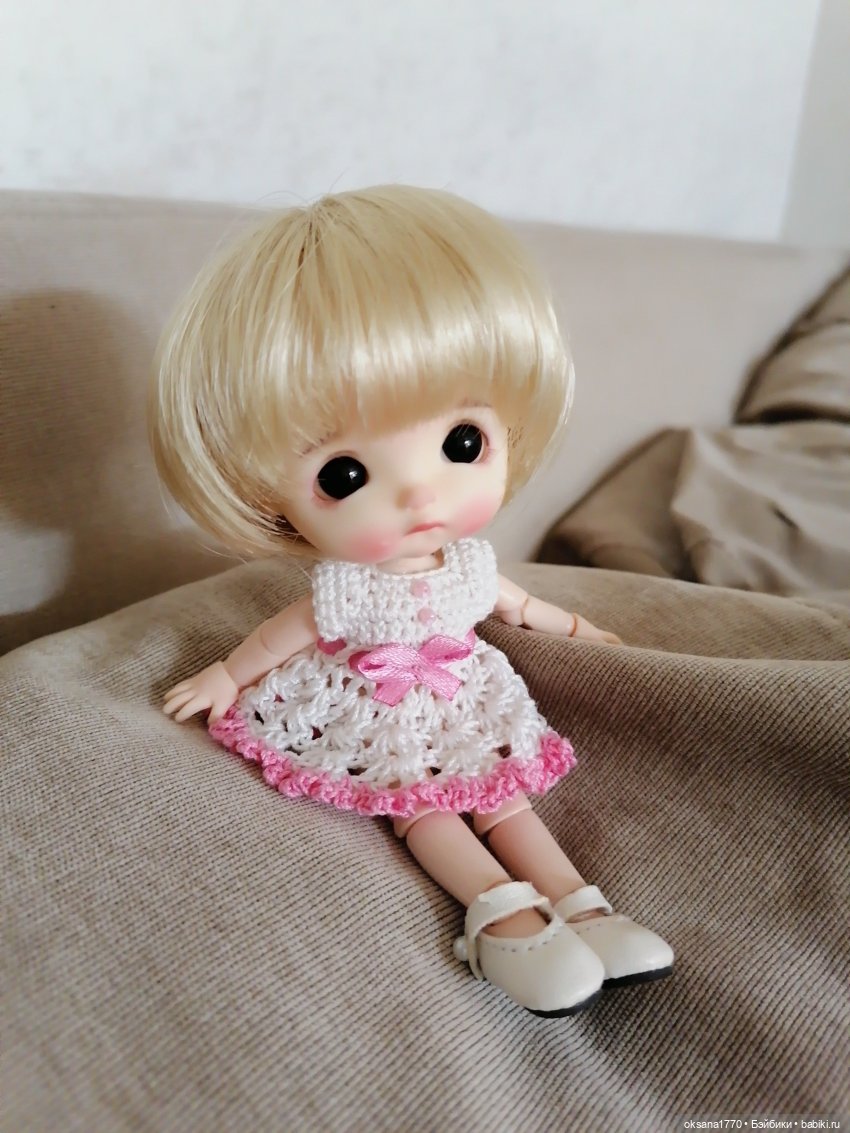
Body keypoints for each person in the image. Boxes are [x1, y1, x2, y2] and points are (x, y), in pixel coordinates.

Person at [150, 184, 673, 1016]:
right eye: (346, 474)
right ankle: (500, 918)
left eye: (463, 442)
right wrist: (225, 674)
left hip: (464, 694)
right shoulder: (347, 587)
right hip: (375, 701)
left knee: (502, 796)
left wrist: (576, 626)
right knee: (423, 809)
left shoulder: (467, 564)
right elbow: (289, 632)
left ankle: (582, 905)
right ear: (271, 497)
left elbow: (515, 605)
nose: (419, 495)